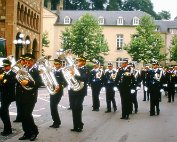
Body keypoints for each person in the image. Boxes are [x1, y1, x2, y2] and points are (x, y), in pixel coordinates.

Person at [18, 53, 41, 141]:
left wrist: (28, 83)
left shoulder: (35, 71)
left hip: (31, 96)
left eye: (30, 61)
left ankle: (34, 131)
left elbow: (39, 83)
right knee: (23, 115)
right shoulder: (24, 69)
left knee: (27, 114)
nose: (27, 62)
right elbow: (19, 80)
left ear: (33, 61)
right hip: (22, 95)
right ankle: (26, 133)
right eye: (27, 60)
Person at [69, 56, 89, 132]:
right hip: (73, 90)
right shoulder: (75, 69)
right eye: (77, 61)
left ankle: (79, 125)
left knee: (77, 107)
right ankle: (75, 126)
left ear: (84, 62)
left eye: (80, 61)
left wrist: (74, 74)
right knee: (73, 108)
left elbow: (84, 78)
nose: (78, 62)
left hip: (81, 91)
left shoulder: (85, 69)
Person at [49, 58, 67, 128]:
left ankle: (57, 122)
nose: (55, 65)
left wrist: (61, 86)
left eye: (57, 64)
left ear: (60, 65)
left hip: (58, 91)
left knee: (53, 106)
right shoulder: (53, 71)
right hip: (52, 90)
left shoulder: (62, 72)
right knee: (52, 107)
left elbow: (66, 82)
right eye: (55, 64)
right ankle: (55, 121)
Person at [0, 59, 16, 136]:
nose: (5, 68)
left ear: (10, 66)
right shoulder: (3, 73)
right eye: (4, 66)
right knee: (4, 112)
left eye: (6, 66)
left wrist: (2, 80)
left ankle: (8, 129)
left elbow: (11, 84)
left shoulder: (13, 74)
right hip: (3, 95)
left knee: (3, 111)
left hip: (9, 95)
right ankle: (8, 128)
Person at [14, 54, 26, 123]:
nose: (21, 61)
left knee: (23, 104)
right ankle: (19, 117)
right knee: (18, 103)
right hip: (18, 87)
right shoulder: (18, 68)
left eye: (22, 60)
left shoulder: (25, 68)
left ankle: (23, 117)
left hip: (24, 88)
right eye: (21, 60)